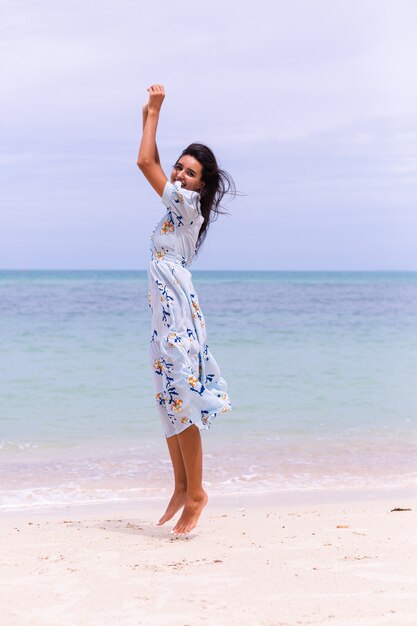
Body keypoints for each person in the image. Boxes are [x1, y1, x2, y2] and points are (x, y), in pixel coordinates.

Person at [137, 84, 234, 535]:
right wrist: (146, 121)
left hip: (176, 316)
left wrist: (155, 111)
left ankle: (196, 492)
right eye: (178, 167)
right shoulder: (177, 210)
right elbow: (153, 160)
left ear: (201, 185)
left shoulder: (187, 205)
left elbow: (144, 163)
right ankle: (180, 485)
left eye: (189, 172)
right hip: (164, 316)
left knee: (183, 402)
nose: (178, 176)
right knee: (168, 400)